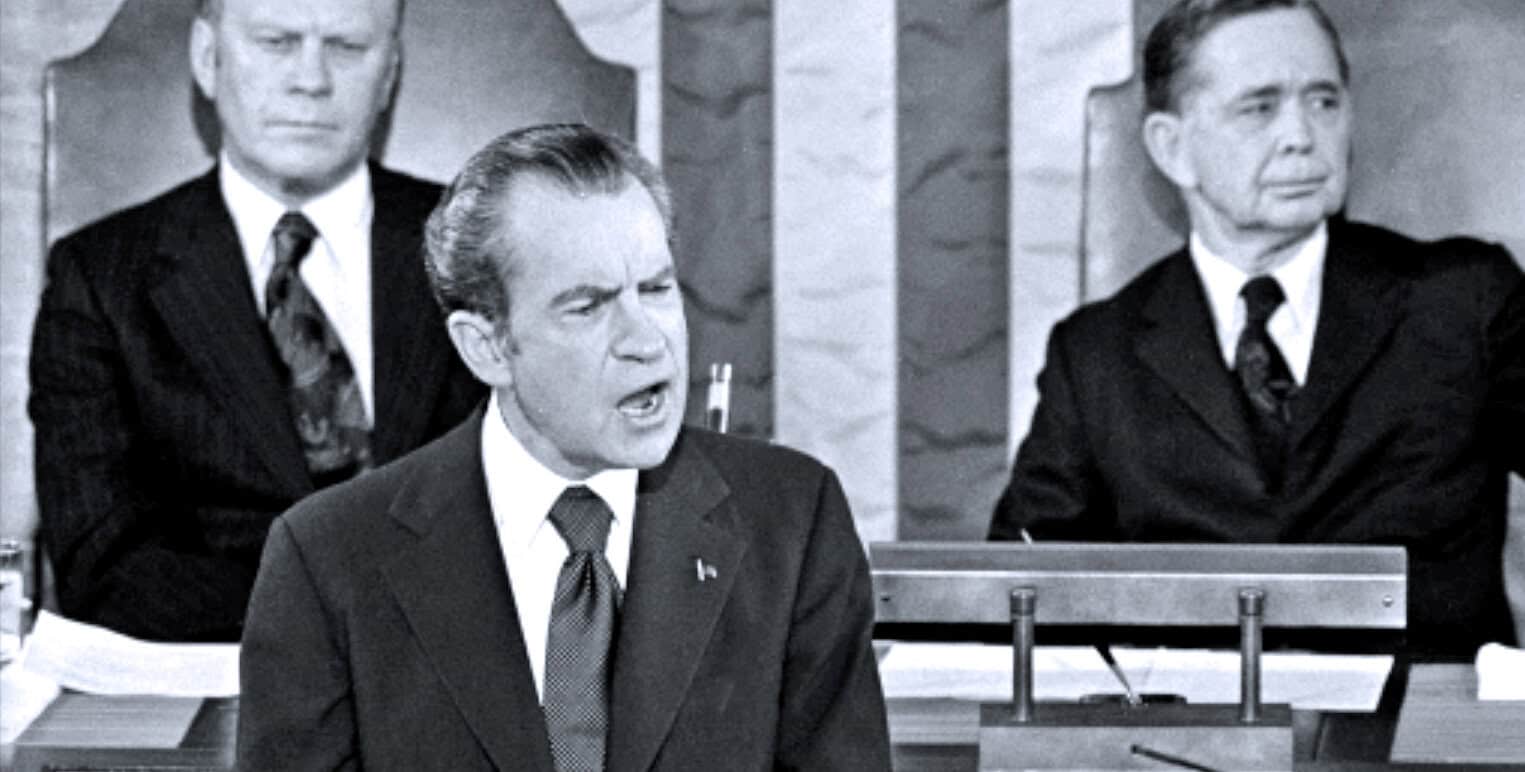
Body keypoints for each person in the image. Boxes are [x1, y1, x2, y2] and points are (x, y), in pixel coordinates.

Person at [236, 124, 891, 771]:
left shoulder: (792, 522)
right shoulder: (329, 558)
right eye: (587, 306)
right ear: (486, 346)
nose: (646, 340)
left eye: (656, 289)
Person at [990, 0, 1524, 656]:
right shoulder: (1095, 355)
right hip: (1188, 742)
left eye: (1323, 101)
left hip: (1421, 736)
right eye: (1259, 107)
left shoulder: (1462, 300)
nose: (1302, 135)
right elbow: (1011, 600)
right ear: (1171, 146)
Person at [27, 0, 483, 642]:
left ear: (390, 75)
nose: (311, 79)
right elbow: (103, 564)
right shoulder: (100, 278)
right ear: (208, 60)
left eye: (347, 47)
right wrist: (339, 625)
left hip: (456, 684)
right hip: (215, 687)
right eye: (276, 42)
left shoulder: (484, 249)